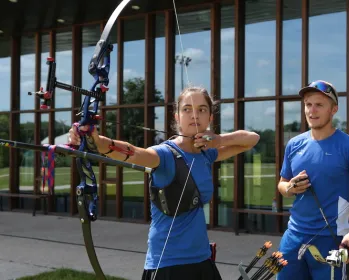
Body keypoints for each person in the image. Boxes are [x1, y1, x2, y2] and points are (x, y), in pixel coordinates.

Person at [68, 86, 260, 280]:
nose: (194, 115)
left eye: (202, 109)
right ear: (177, 116)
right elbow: (133, 152)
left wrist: (218, 140)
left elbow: (252, 139)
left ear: (210, 117)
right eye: (187, 109)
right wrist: (97, 141)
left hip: (202, 259)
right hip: (168, 264)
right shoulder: (164, 154)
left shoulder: (207, 154)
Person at [276, 80, 349, 280]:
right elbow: (281, 185)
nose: (311, 111)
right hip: (292, 237)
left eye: (319, 105)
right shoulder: (294, 145)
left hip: (331, 241)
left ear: (334, 109)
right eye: (308, 104)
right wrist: (290, 188)